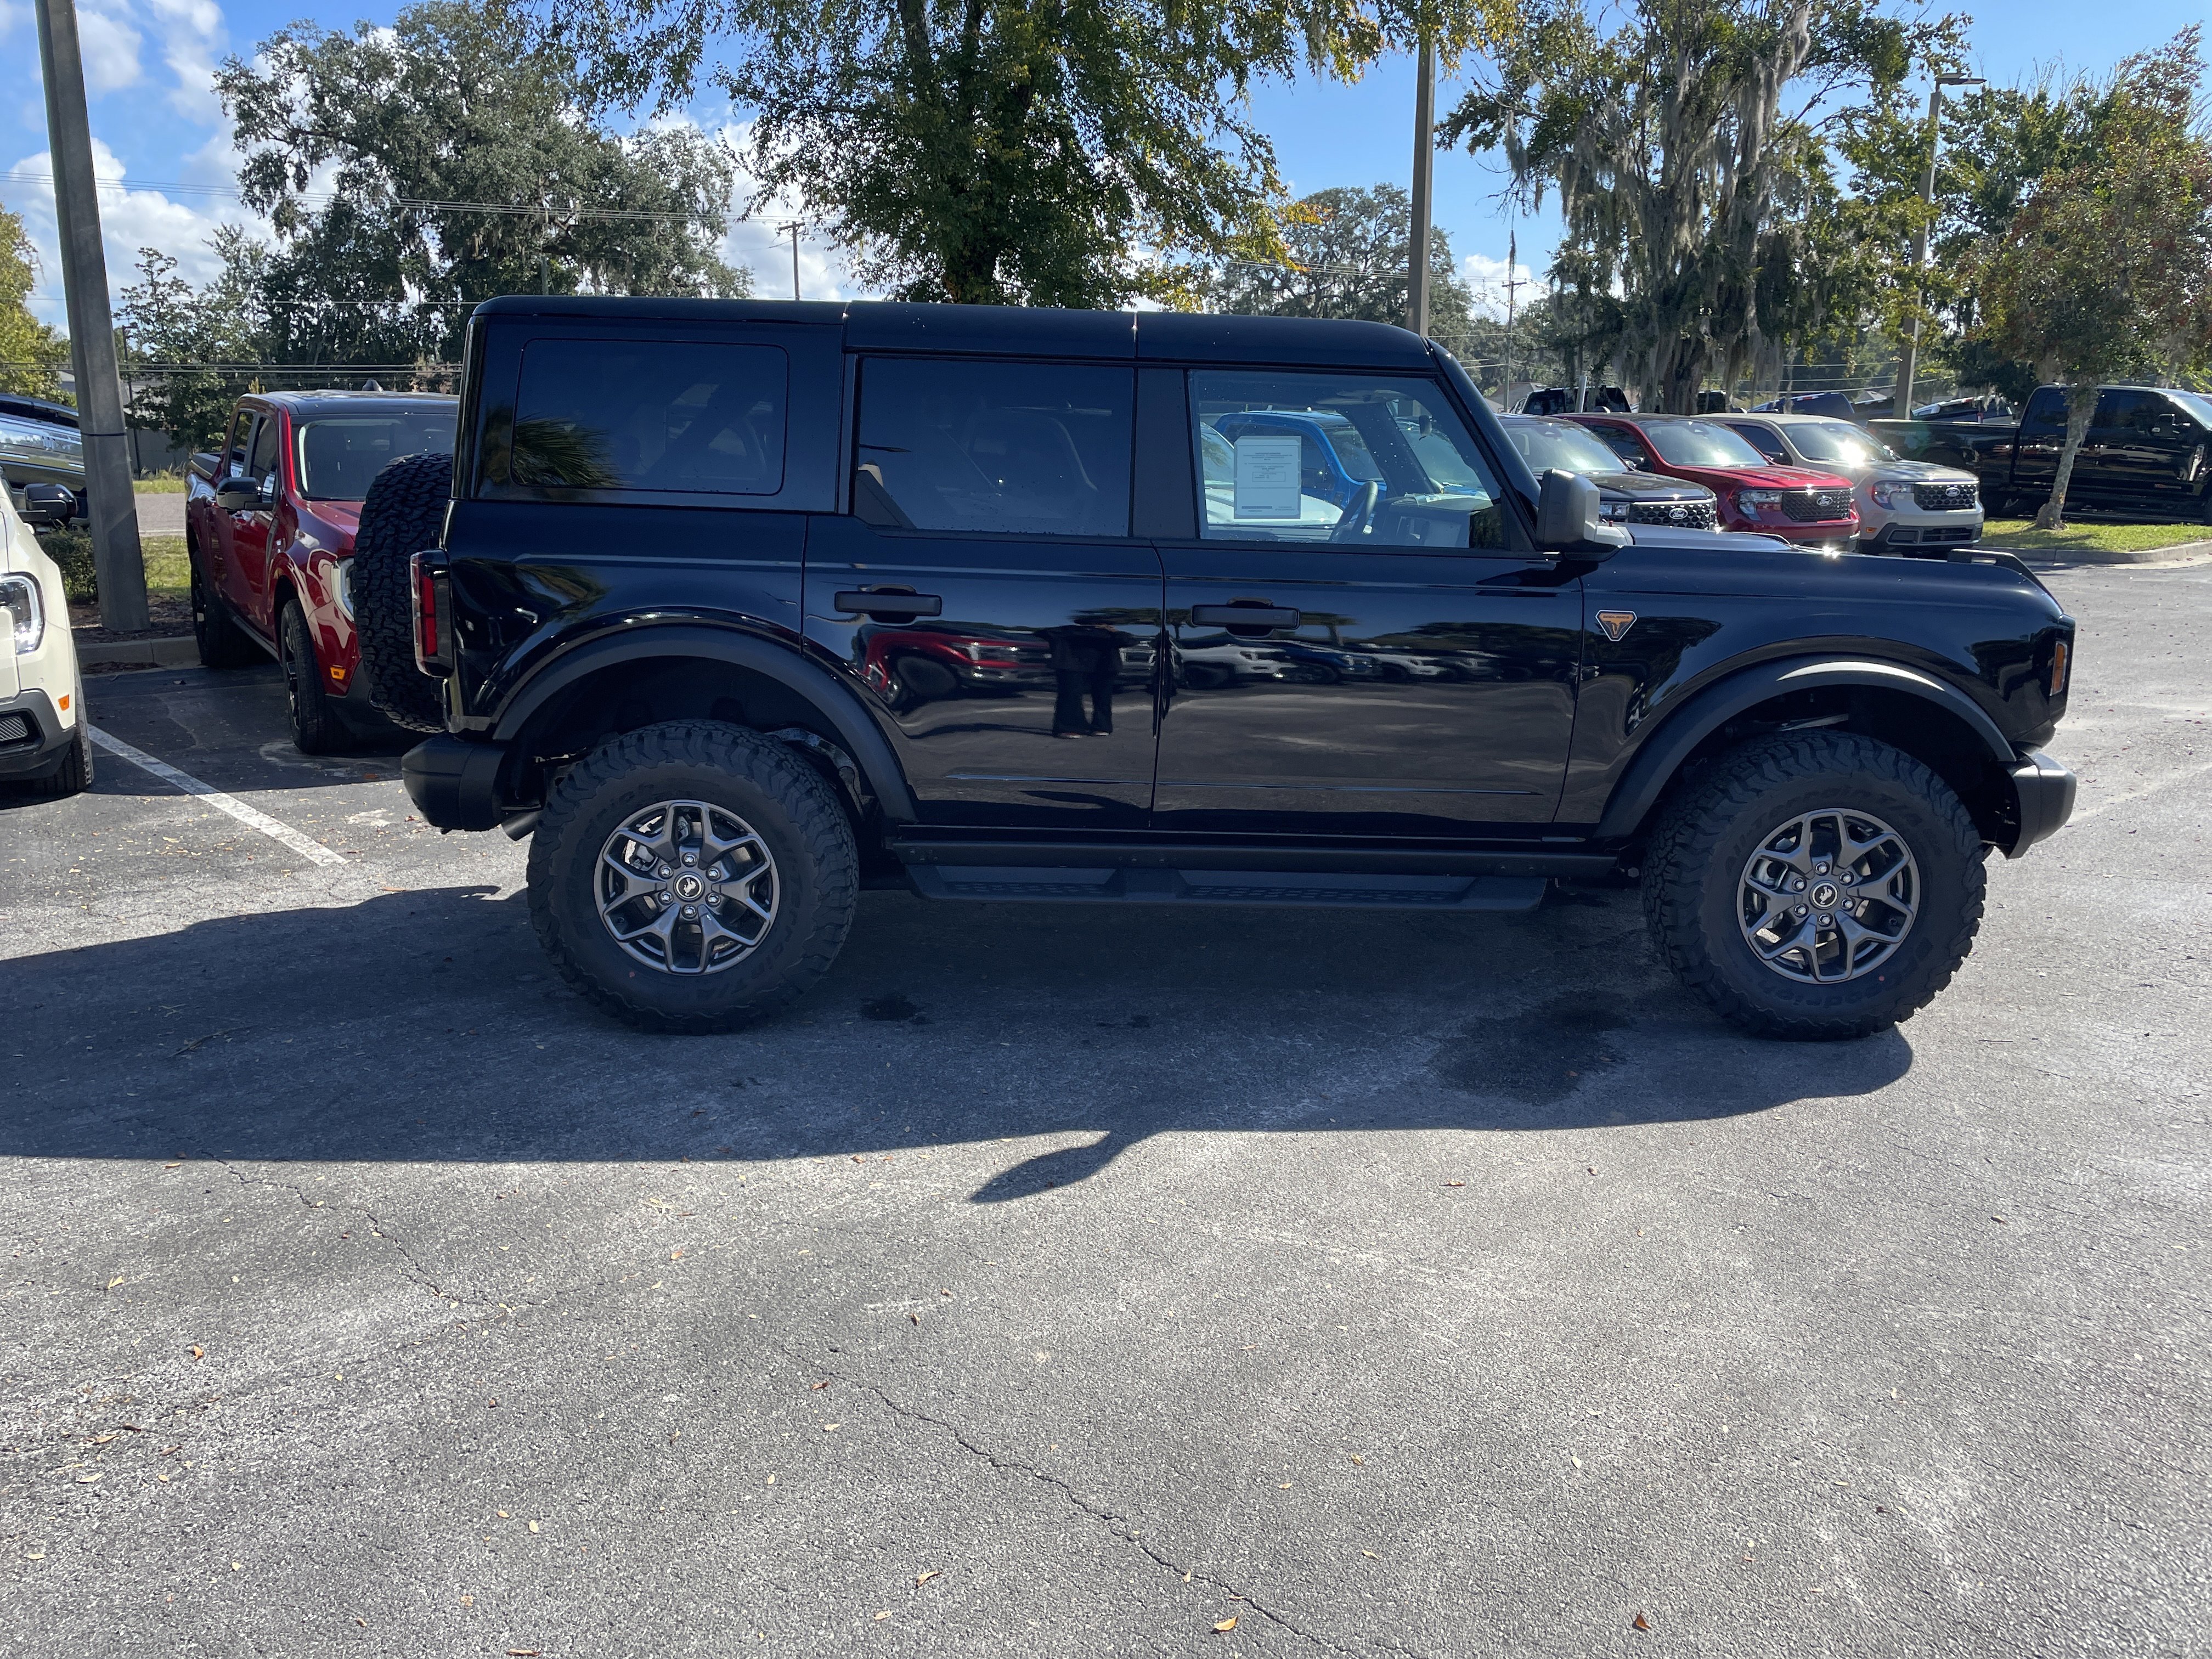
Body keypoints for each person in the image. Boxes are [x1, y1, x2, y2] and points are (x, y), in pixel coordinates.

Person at [1045, 622, 1126, 737]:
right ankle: (1068, 727)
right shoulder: (1068, 630)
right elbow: (1046, 633)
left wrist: (1113, 631)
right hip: (1073, 665)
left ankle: (1101, 726)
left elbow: (1128, 641)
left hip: (1103, 666)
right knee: (1070, 696)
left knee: (1103, 698)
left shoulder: (1107, 632)